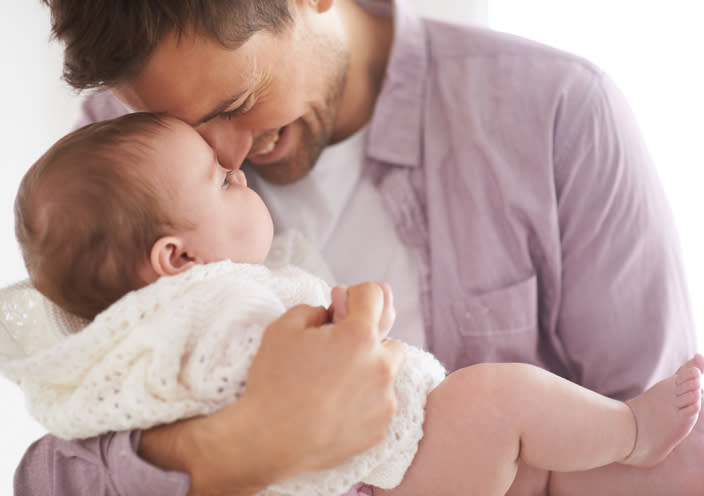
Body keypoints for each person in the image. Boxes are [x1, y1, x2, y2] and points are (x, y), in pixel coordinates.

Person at [16, 0, 702, 494]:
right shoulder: (113, 164)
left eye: (234, 103)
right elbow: (52, 469)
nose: (226, 153)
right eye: (178, 126)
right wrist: (250, 442)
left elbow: (662, 440)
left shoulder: (556, 113)